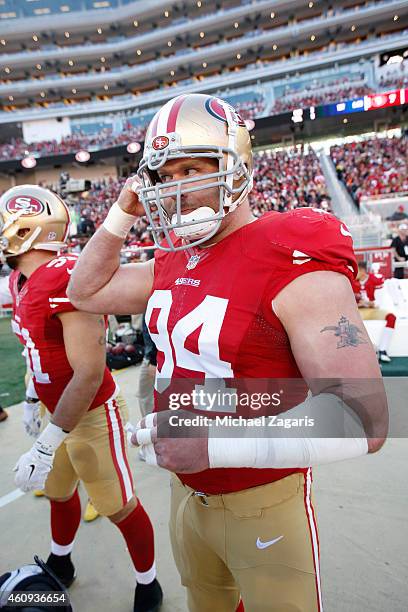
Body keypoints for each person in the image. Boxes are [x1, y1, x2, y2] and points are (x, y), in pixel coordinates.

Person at [69, 93, 388, 612]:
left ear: (234, 167)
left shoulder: (288, 251)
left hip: (262, 499)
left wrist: (216, 445)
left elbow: (365, 416)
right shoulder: (172, 260)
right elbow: (84, 292)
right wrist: (121, 213)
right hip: (185, 493)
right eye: (164, 178)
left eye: (191, 169)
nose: (177, 191)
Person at [0, 185, 162, 612]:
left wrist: (47, 441)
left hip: (91, 413)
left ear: (24, 230)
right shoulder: (20, 281)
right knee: (58, 491)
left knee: (118, 506)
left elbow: (89, 373)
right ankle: (61, 558)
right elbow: (36, 350)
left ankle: (149, 583)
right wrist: (34, 398)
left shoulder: (62, 276)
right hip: (57, 409)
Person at [352, 261, 397, 363]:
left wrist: (367, 303)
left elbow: (377, 303)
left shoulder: (375, 280)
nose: (354, 273)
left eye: (356, 271)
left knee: (391, 318)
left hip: (372, 310)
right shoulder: (352, 282)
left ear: (362, 271)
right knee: (348, 321)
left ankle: (382, 350)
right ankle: (362, 352)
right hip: (359, 311)